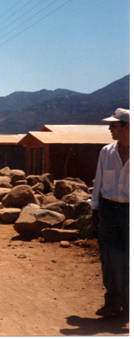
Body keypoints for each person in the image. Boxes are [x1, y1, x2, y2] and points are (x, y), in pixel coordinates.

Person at [91, 108, 129, 318]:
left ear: (126, 127)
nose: (109, 129)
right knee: (109, 256)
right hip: (108, 210)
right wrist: (95, 210)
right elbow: (99, 181)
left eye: (113, 125)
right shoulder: (106, 152)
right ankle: (113, 302)